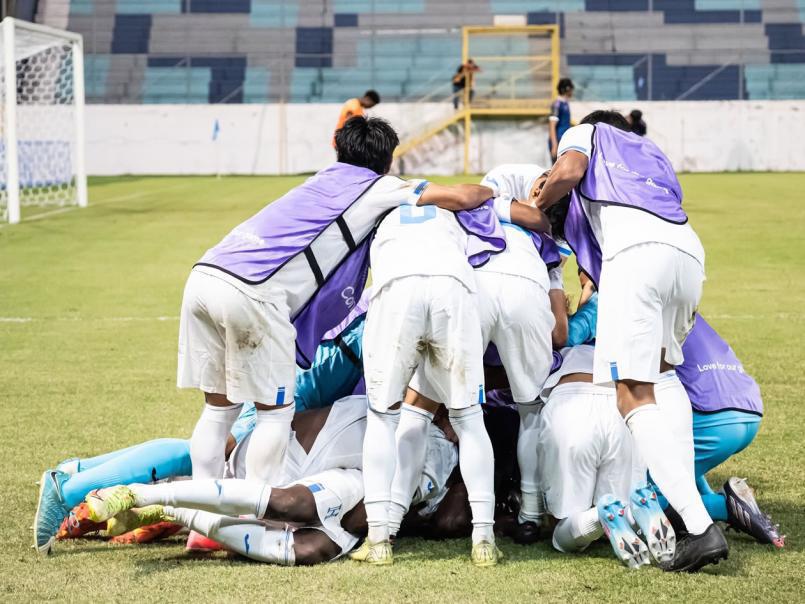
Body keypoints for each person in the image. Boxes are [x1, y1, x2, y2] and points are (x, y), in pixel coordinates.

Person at [535, 109, 726, 572]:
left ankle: (700, 528)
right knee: (663, 376)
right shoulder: (652, 152)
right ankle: (684, 514)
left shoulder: (587, 132)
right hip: (688, 254)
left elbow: (571, 169)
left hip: (638, 257)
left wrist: (539, 198)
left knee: (631, 396)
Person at [353, 185, 541, 567]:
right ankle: (484, 539)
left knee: (385, 417)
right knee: (469, 420)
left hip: (397, 289)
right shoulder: (452, 208)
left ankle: (379, 538)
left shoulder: (377, 209)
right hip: (453, 289)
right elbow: (512, 216)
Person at [80, 396, 458, 566]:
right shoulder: (397, 396)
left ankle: (170, 509)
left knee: (309, 548)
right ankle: (134, 492)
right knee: (292, 503)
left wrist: (348, 530)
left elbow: (397, 503)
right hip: (283, 456)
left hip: (349, 486)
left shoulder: (443, 456)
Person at [556, 276, 783, 549]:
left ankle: (724, 505)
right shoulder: (660, 298)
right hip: (745, 408)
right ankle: (718, 497)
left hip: (708, 417)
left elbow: (563, 339)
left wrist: (572, 304)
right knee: (672, 454)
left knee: (637, 497)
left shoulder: (609, 299)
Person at [539, 344, 676, 569]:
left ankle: (598, 516)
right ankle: (634, 512)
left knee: (560, 530)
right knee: (623, 504)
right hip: (621, 400)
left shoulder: (563, 329)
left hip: (570, 399)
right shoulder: (620, 320)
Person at [548, 78, 574, 163]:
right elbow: (552, 126)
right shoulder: (557, 104)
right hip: (558, 141)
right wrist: (554, 145)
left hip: (564, 141)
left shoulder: (565, 103)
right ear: (567, 89)